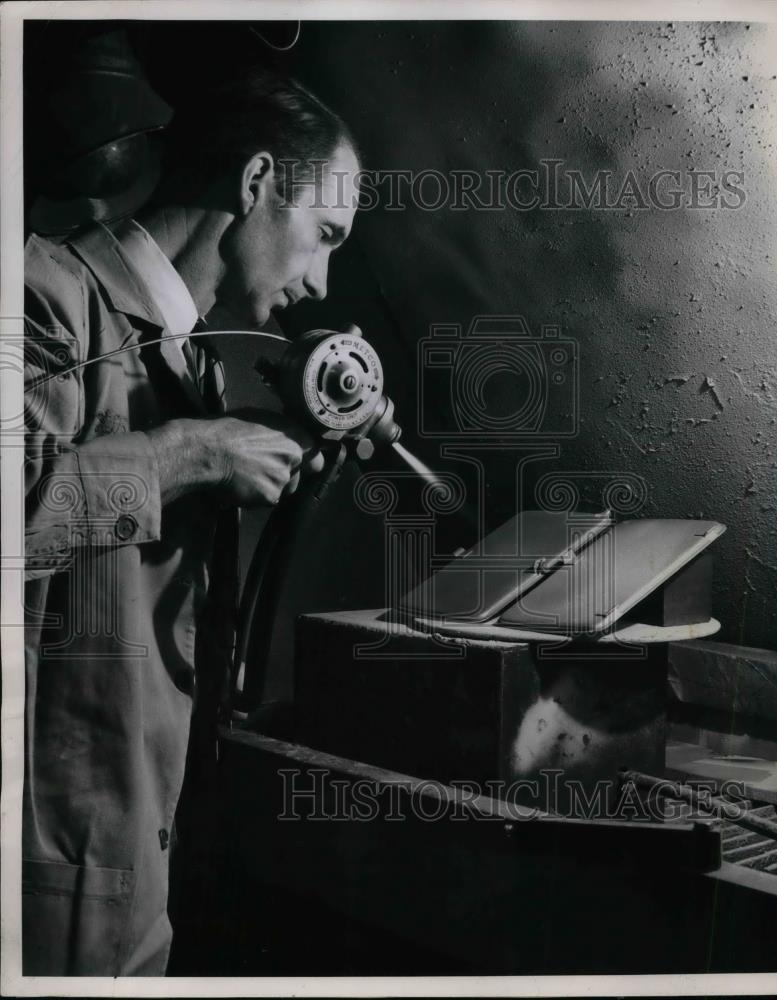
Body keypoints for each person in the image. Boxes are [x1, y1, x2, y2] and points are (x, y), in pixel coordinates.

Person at [22, 67, 360, 976]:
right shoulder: (43, 295)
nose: (322, 279)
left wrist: (299, 459)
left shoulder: (187, 363)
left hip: (133, 870)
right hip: (45, 888)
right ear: (254, 185)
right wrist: (194, 455)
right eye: (323, 235)